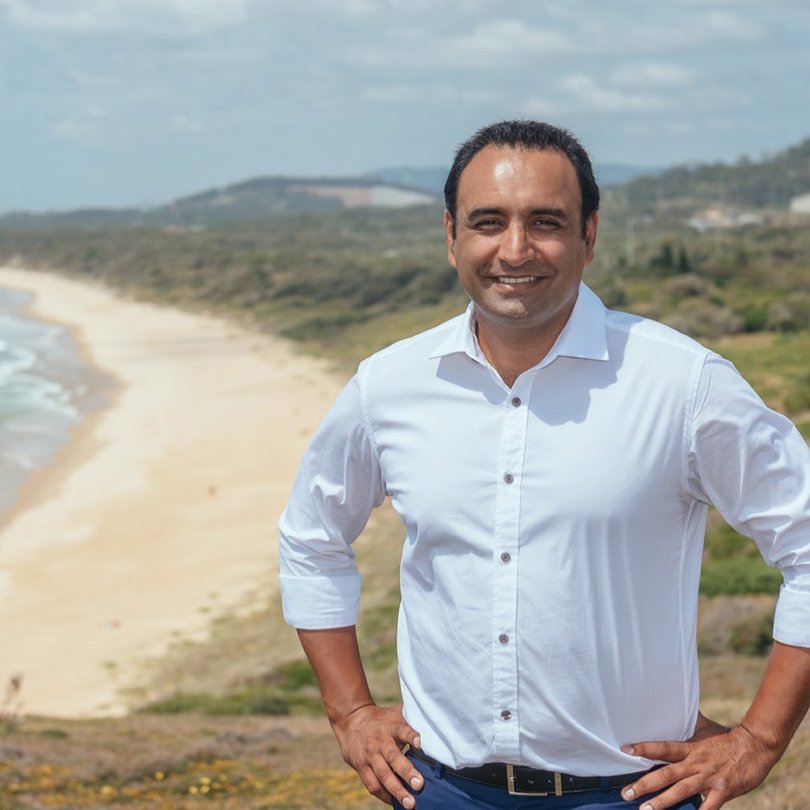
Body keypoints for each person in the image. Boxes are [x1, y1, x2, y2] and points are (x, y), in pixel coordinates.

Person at [278, 120, 810, 810]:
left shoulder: (684, 384)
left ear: (590, 235)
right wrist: (350, 714)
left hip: (633, 795)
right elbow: (311, 540)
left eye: (546, 222)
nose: (515, 249)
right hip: (438, 789)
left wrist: (760, 740)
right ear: (451, 236)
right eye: (489, 222)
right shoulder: (387, 385)